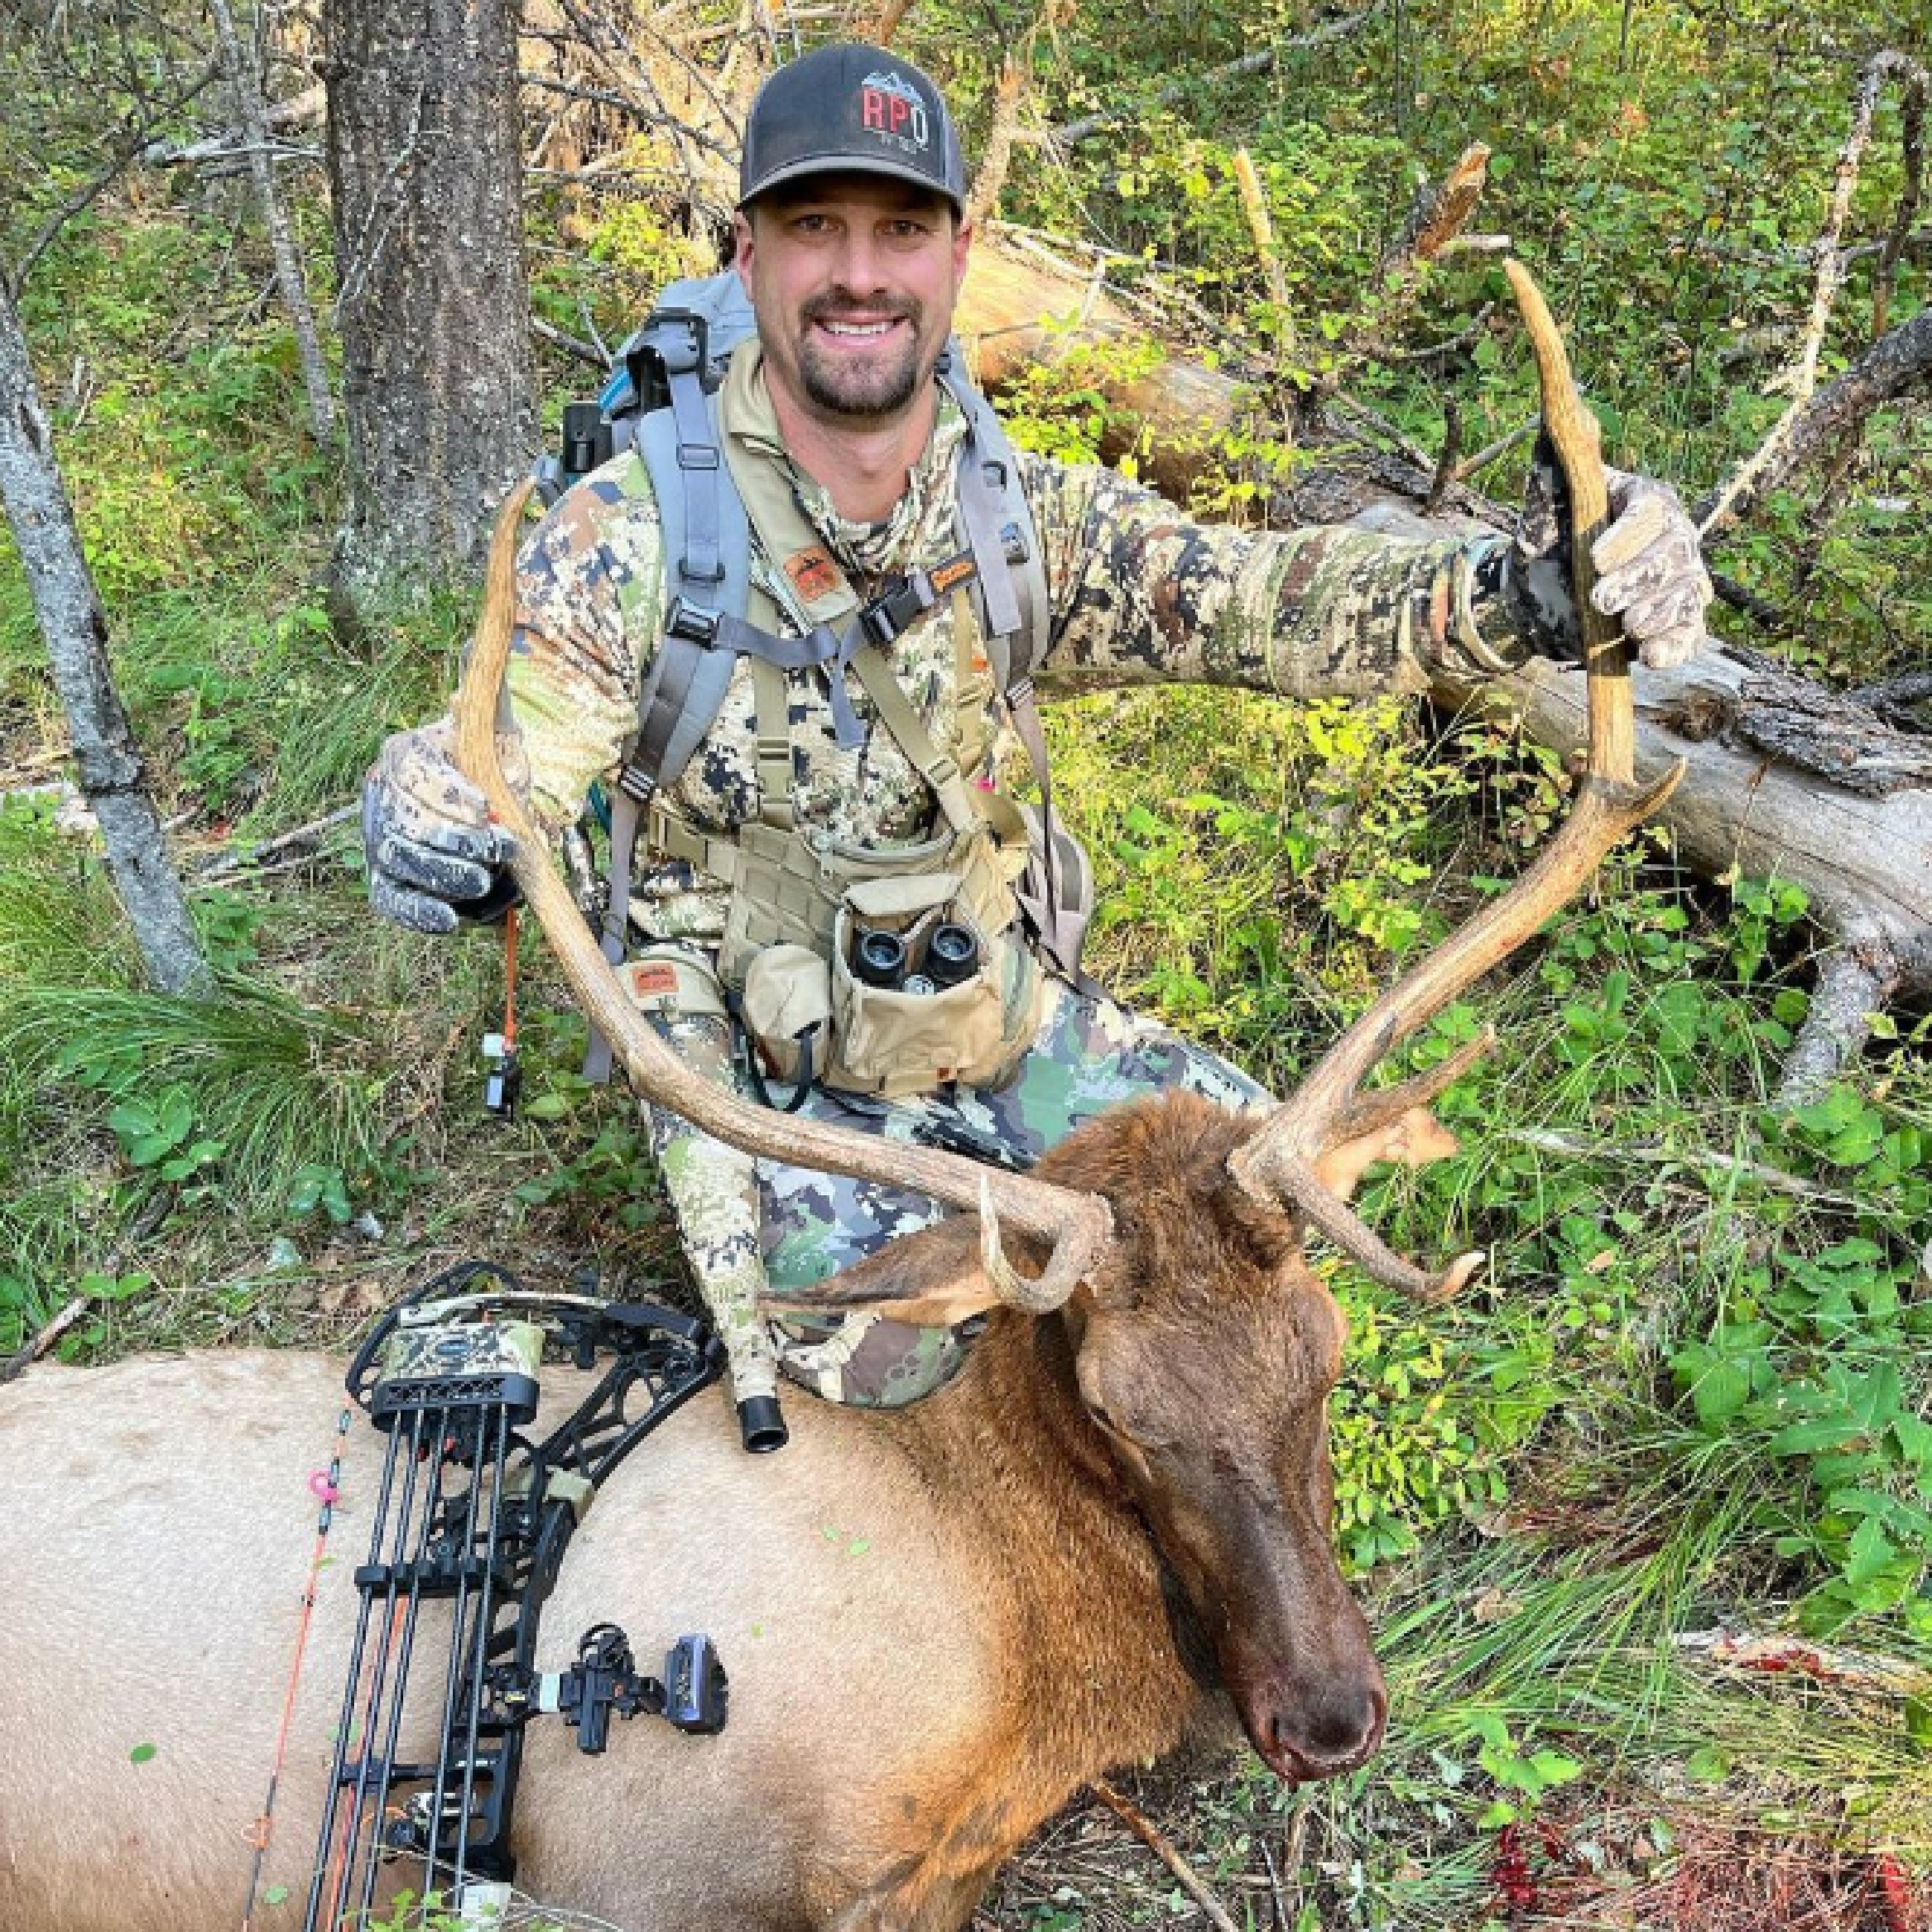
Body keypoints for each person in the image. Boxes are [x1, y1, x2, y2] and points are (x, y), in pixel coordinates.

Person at [363, 43, 1714, 1435]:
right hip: (767, 1063)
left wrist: (1533, 590)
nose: (860, 274)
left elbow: (1265, 604)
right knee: (912, 1374)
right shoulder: (630, 540)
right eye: (814, 226)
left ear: (959, 252)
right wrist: (435, 814)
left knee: (1261, 1201)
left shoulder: (1019, 522)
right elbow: (508, 764)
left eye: (901, 229)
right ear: (749, 252)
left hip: (982, 1006)